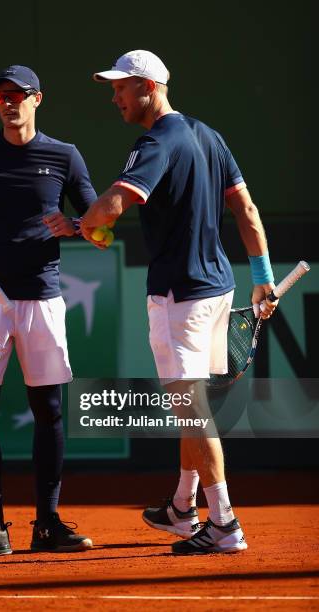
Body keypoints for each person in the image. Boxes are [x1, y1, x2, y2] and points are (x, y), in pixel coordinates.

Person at [80, 50, 278, 555]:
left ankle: (225, 524)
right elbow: (248, 211)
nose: (114, 95)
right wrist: (263, 278)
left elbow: (110, 208)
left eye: (121, 86)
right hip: (218, 289)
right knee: (193, 406)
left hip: (179, 299)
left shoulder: (153, 142)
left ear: (148, 86)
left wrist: (87, 226)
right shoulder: (209, 136)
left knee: (191, 414)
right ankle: (182, 508)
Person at [0, 64, 96, 558]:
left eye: (19, 95)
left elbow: (97, 224)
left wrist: (72, 225)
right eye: (2, 96)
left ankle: (47, 523)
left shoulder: (64, 156)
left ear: (37, 100)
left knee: (48, 411)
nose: (9, 102)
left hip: (42, 299)